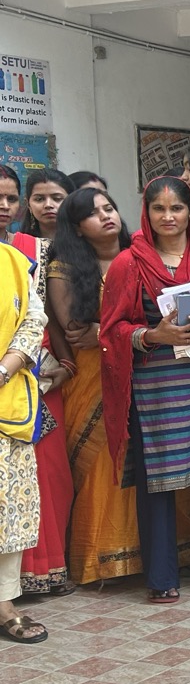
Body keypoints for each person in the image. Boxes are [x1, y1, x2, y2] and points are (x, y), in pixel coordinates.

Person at [100, 177, 190, 602]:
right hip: (156, 387)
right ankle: (162, 578)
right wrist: (153, 335)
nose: (169, 216)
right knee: (158, 482)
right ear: (146, 212)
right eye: (159, 209)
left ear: (189, 213)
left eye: (177, 208)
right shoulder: (128, 264)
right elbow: (111, 331)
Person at [46, 188, 164, 585]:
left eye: (109, 208)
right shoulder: (64, 269)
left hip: (143, 369)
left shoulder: (143, 258)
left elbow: (154, 319)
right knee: (102, 464)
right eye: (94, 213)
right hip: (92, 376)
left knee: (146, 457)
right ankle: (102, 559)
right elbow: (75, 332)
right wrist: (122, 333)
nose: (106, 216)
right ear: (77, 228)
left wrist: (107, 331)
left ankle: (154, 552)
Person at [1, 168, 72, 596]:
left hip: (36, 375)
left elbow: (45, 318)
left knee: (46, 475)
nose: (4, 206)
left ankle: (42, 572)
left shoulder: (31, 253)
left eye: (10, 198)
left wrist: (65, 362)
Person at [0, 232, 47, 642]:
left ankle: (3, 602)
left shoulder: (13, 262)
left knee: (9, 510)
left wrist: (3, 370)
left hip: (7, 400)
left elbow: (33, 322)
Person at [19, 169, 70, 242]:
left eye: (57, 198)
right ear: (28, 204)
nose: (48, 205)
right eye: (39, 199)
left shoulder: (85, 243)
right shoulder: (17, 245)